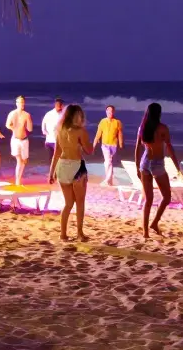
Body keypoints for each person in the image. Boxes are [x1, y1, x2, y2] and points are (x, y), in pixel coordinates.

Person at [134, 103, 181, 238]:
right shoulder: (162, 128)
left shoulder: (142, 128)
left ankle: (145, 232)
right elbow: (170, 148)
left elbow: (137, 148)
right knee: (166, 197)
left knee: (148, 200)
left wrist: (137, 167)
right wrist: (177, 166)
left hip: (145, 162)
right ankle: (154, 223)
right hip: (157, 164)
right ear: (159, 113)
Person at [48, 104, 93, 242]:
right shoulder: (81, 131)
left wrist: (51, 173)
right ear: (77, 116)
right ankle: (79, 233)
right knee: (80, 202)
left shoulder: (59, 129)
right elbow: (89, 150)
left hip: (62, 166)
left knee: (68, 203)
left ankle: (63, 234)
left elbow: (56, 153)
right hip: (77, 167)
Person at [5, 95, 34, 185]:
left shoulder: (26, 115)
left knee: (24, 160)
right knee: (19, 160)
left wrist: (28, 121)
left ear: (24, 103)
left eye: (22, 102)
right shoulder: (12, 113)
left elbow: (30, 129)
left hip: (24, 140)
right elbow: (7, 125)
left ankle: (19, 177)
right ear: (16, 103)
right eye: (19, 102)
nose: (21, 104)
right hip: (15, 140)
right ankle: (18, 180)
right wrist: (14, 128)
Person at [93, 105, 124, 186]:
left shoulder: (117, 122)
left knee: (109, 162)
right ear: (106, 112)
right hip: (105, 145)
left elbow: (120, 134)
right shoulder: (102, 121)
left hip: (113, 145)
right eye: (108, 111)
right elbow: (98, 133)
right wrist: (94, 144)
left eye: (111, 111)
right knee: (108, 161)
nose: (110, 112)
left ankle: (110, 180)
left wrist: (121, 144)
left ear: (114, 112)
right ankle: (107, 180)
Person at [41, 97, 65, 162]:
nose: (59, 107)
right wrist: (44, 131)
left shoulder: (63, 114)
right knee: (54, 157)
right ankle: (54, 171)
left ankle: (55, 171)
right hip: (51, 140)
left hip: (58, 140)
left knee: (56, 157)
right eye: (57, 105)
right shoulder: (49, 114)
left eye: (60, 106)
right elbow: (44, 123)